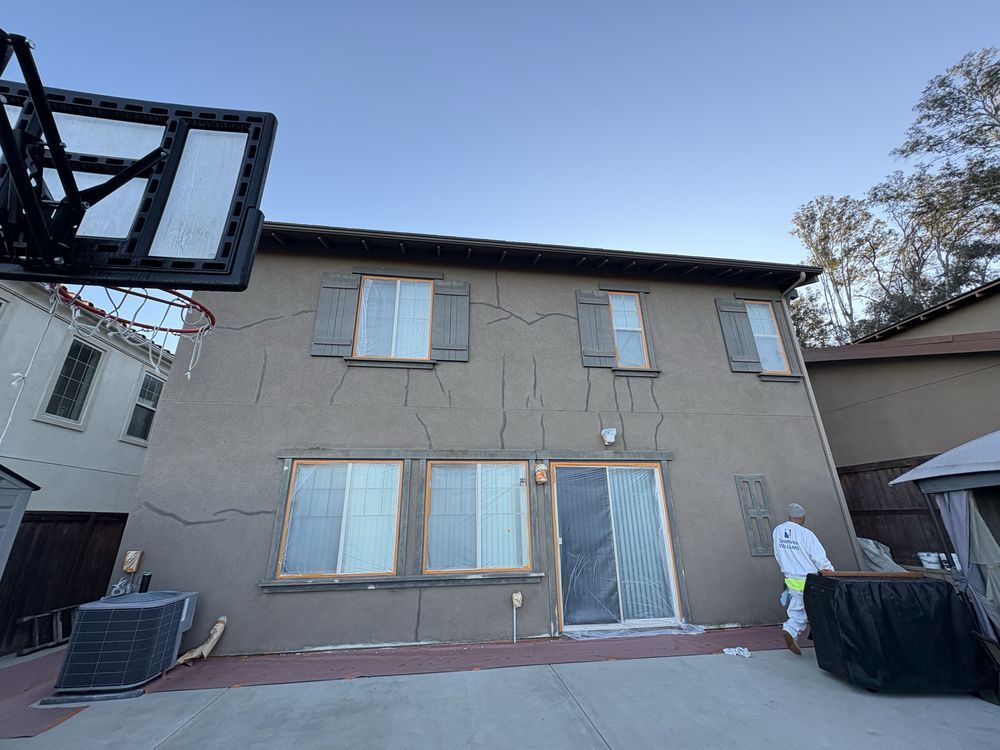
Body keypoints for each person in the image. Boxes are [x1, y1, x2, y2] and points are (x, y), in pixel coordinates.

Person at [772, 503, 833, 655]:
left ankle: (790, 630)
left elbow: (778, 554)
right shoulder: (806, 534)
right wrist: (830, 572)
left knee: (798, 605)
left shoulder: (778, 531)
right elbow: (818, 556)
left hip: (790, 577)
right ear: (802, 517)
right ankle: (826, 641)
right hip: (809, 578)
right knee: (815, 608)